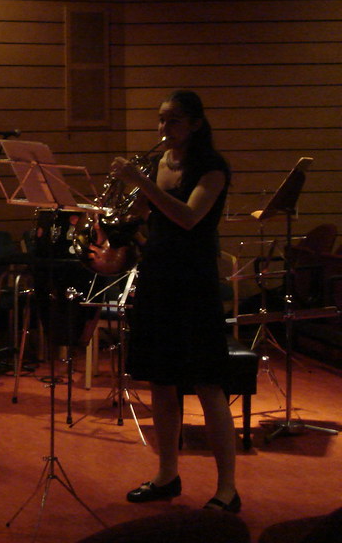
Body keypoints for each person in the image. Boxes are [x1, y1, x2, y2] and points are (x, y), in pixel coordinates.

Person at [113, 89, 239, 513]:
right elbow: (144, 218)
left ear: (196, 125)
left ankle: (227, 489)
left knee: (207, 384)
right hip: (159, 278)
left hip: (194, 284)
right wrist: (117, 215)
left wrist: (141, 182)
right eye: (161, 120)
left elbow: (188, 216)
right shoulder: (158, 163)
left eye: (173, 122)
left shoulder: (212, 167)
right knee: (161, 383)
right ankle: (167, 474)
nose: (163, 129)